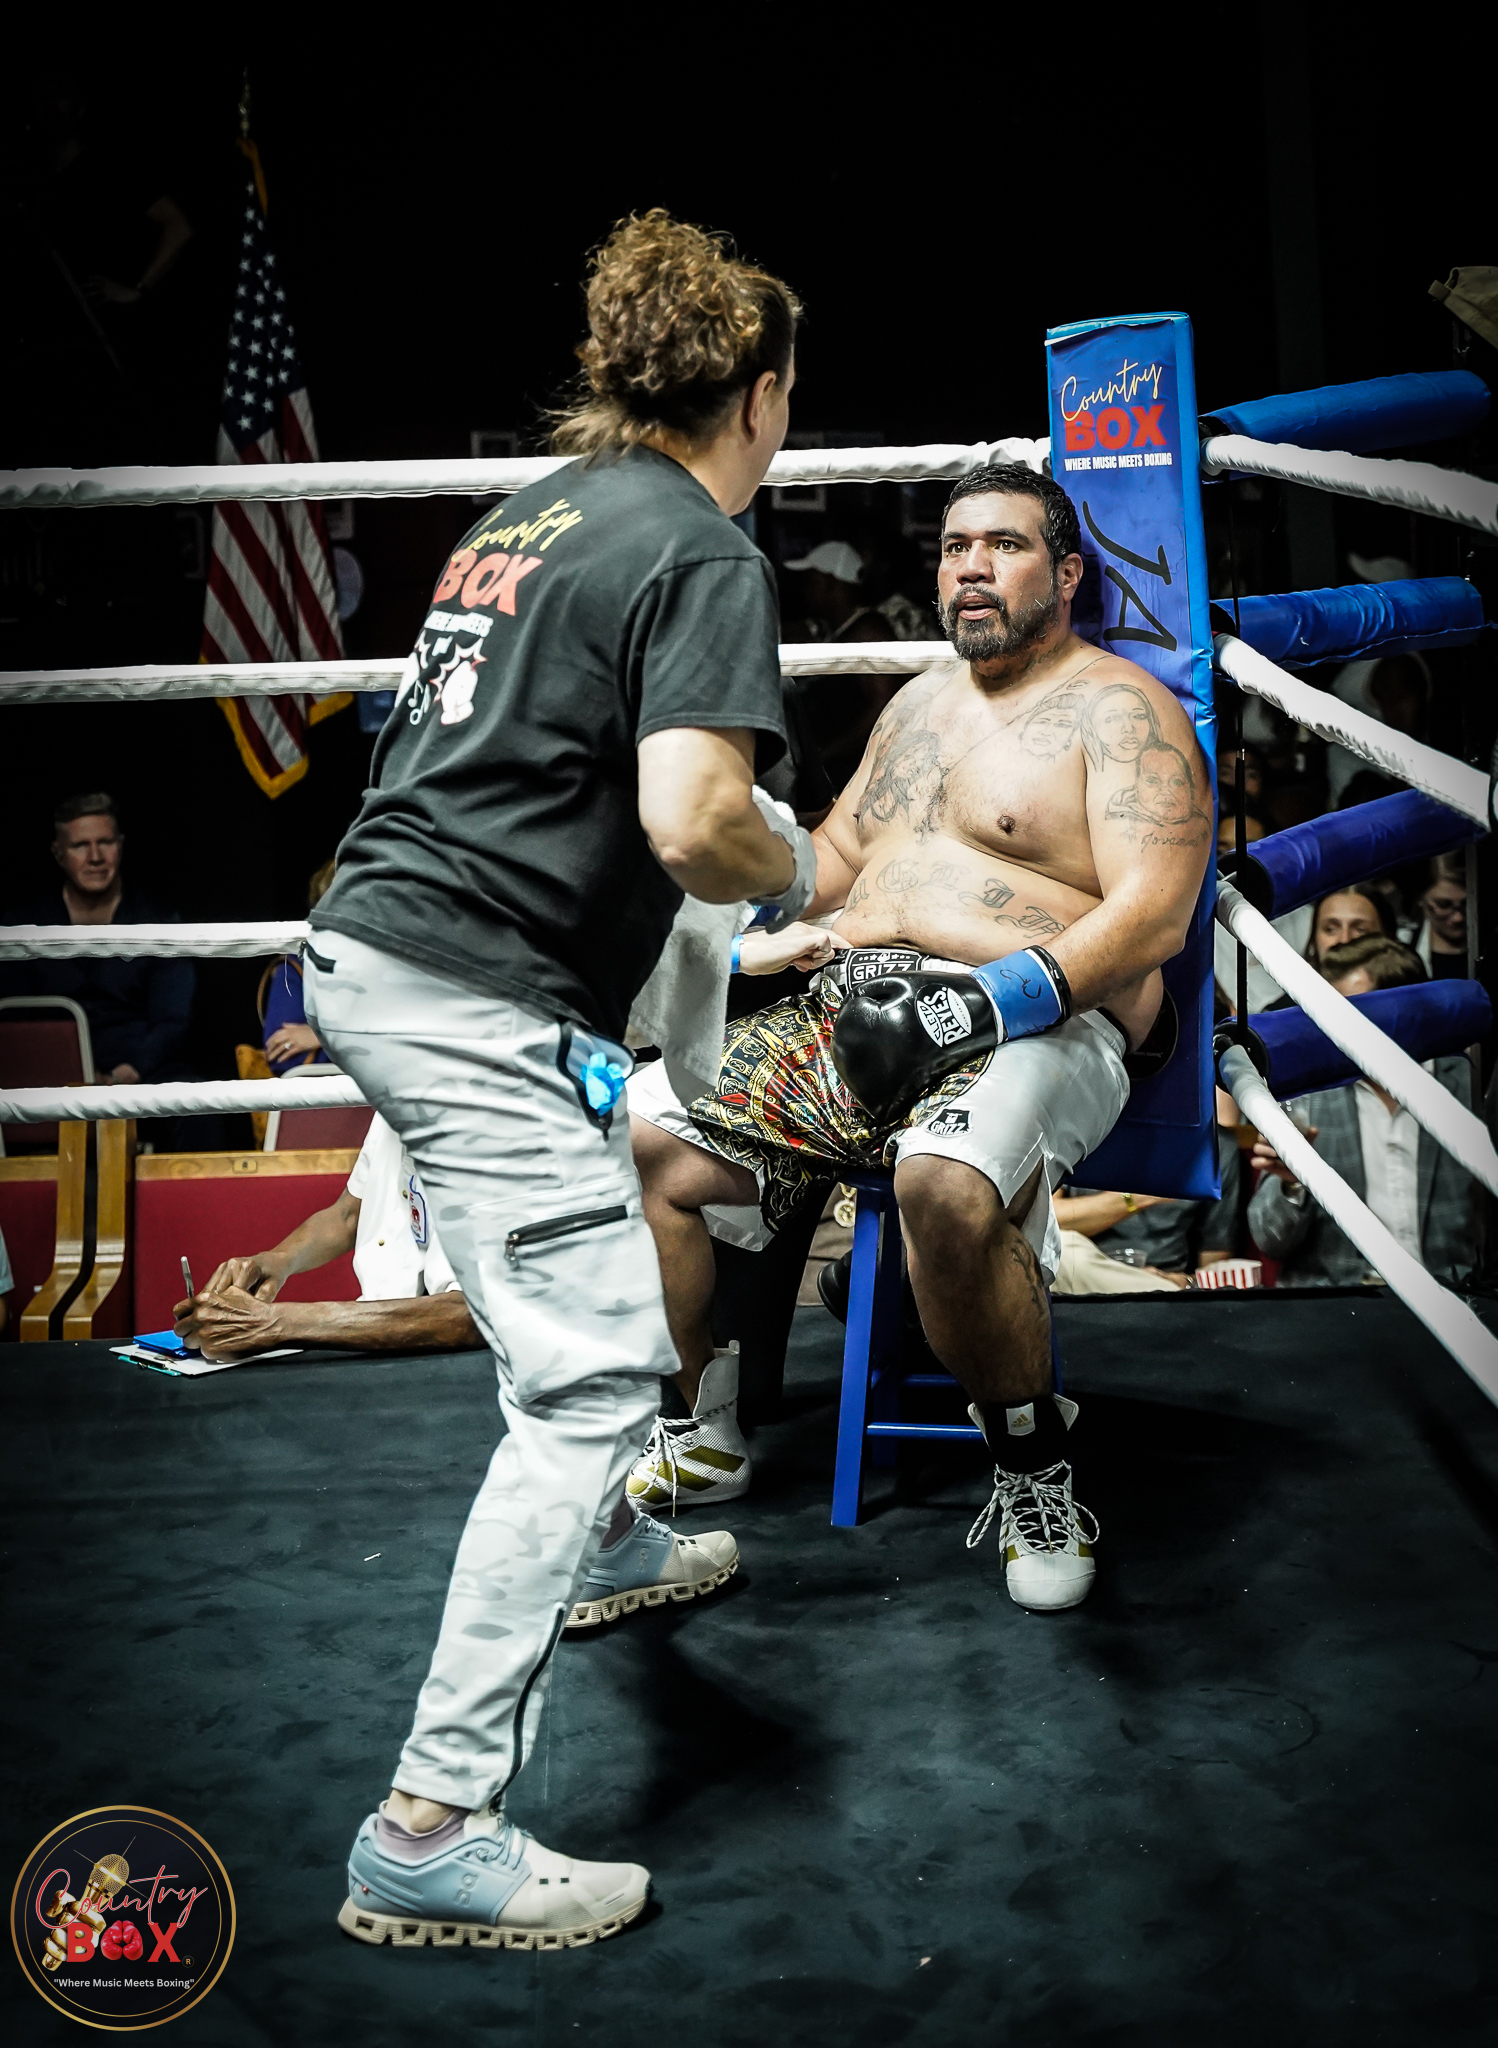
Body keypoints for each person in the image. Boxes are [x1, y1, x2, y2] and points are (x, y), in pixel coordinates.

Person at [302, 212, 814, 1952]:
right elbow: (692, 822)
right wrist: (793, 866)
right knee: (595, 1374)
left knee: (582, 1272)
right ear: (758, 395)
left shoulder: (522, 516)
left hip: (385, 941)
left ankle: (597, 1551)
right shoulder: (702, 550)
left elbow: (535, 784)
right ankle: (429, 1826)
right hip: (465, 990)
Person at [630, 460, 1211, 1612]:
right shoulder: (913, 706)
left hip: (1033, 1016)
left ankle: (1034, 1471)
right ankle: (703, 1424)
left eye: (1003, 544)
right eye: (954, 548)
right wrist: (718, 861)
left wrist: (989, 1000)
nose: (971, 568)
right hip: (851, 1001)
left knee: (941, 1182)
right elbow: (833, 860)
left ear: (1067, 573)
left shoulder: (1119, 710)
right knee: (642, 1136)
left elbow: (1153, 915)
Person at [1247, 936, 1477, 1286]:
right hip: (1339, 1303)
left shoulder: (1467, 1090)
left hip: (1453, 1296)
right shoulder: (1304, 1094)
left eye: (1353, 1012)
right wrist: (1292, 1184)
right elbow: (1269, 1239)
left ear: (1407, 1013)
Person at [171, 1114, 480, 1357]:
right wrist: (274, 1261)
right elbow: (348, 1214)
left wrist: (274, 1323)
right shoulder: (394, 1097)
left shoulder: (491, 1124)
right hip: (387, 1341)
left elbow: (472, 1316)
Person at [0, 794, 194, 1088]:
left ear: (121, 845)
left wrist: (123, 1076)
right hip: (49, 1075)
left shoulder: (159, 920)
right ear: (58, 853)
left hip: (141, 1075)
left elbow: (172, 1020)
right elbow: (13, 1021)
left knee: (192, 1096)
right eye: (80, 845)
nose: (95, 857)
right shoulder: (24, 924)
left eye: (105, 842)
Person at [1054, 1129, 1242, 1293]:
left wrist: (1188, 1281)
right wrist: (1138, 1197)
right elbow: (1052, 1220)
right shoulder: (1077, 1130)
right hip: (1085, 1274)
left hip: (1164, 1280)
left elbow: (1213, 1266)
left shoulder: (1214, 1145)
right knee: (1062, 1250)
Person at [260, 858, 336, 1072]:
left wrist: (321, 1036)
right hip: (323, 1094)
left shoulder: (400, 964)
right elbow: (285, 1057)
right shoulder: (296, 968)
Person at [1414, 853, 1468, 979]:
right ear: (1421, 899)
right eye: (1443, 905)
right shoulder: (1405, 946)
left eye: (1466, 904)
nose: (1458, 918)